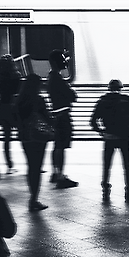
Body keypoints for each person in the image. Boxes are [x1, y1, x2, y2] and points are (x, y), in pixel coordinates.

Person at [91, 79, 129, 203]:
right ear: (121, 88)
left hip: (109, 137)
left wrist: (102, 132)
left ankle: (105, 189)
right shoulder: (126, 100)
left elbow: (93, 121)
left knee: (107, 165)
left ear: (109, 88)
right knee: (127, 165)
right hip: (124, 137)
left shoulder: (103, 101)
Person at [16, 74, 53, 212]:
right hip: (38, 138)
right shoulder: (39, 100)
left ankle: (32, 197)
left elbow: (16, 120)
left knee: (31, 167)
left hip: (25, 137)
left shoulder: (20, 100)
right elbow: (47, 118)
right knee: (37, 168)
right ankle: (34, 199)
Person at [46, 49, 79, 189]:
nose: (64, 61)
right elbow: (72, 96)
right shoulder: (57, 79)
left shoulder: (52, 77)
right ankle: (60, 176)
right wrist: (70, 91)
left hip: (56, 114)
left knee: (57, 146)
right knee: (61, 146)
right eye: (62, 58)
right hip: (62, 115)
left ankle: (55, 173)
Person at [0, 54, 23, 174]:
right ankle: (31, 160)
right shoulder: (16, 75)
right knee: (23, 134)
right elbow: (19, 90)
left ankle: (9, 165)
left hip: (3, 107)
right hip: (15, 107)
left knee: (6, 138)